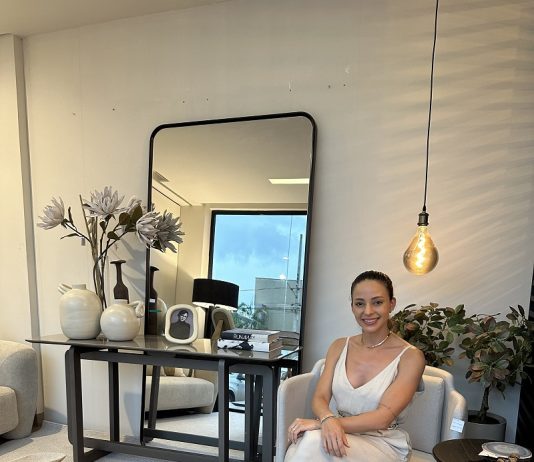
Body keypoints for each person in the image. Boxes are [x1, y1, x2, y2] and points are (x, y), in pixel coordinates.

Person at [285, 270, 425, 462]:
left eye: (377, 302)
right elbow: (320, 397)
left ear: (391, 304)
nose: (367, 311)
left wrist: (323, 423)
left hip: (381, 442)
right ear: (352, 307)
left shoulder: (411, 357)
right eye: (359, 303)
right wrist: (327, 419)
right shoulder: (339, 346)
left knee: (310, 444)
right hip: (337, 431)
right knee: (305, 445)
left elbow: (383, 417)